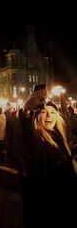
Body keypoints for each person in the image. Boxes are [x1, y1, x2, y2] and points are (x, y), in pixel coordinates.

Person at [18, 90, 77, 227]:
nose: (49, 115)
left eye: (52, 112)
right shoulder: (36, 139)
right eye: (44, 112)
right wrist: (28, 107)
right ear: (37, 117)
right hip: (45, 208)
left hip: (63, 205)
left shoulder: (59, 139)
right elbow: (26, 129)